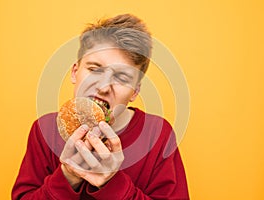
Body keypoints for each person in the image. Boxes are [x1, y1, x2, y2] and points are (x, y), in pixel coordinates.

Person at [12, 13, 189, 199]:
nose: (104, 87)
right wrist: (67, 176)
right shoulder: (45, 129)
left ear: (134, 92)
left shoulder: (157, 134)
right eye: (94, 69)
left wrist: (113, 182)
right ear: (74, 72)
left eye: (121, 78)